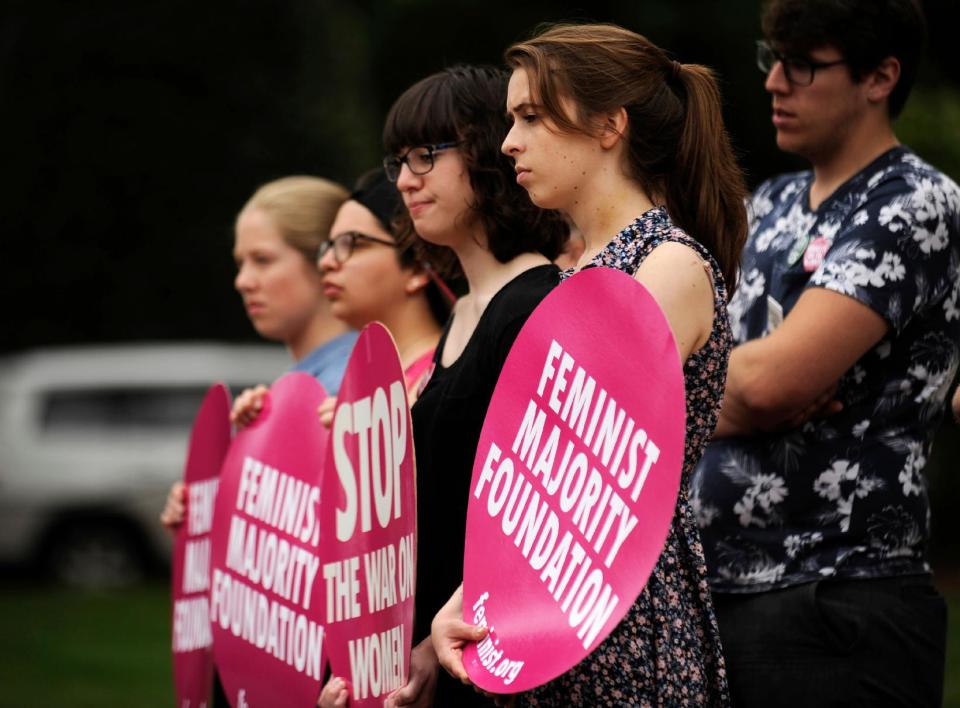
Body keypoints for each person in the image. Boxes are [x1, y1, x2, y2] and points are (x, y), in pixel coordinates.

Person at [431, 22, 749, 706]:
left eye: (531, 117)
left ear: (609, 125)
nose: (510, 140)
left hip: (619, 612)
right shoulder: (576, 274)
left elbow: (568, 469)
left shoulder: (666, 265)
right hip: (549, 603)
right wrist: (471, 600)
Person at [690, 1, 959, 705]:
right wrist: (735, 393)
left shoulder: (913, 204)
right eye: (772, 58)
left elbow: (771, 383)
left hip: (838, 603)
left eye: (803, 64)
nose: (775, 81)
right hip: (722, 600)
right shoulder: (770, 203)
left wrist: (742, 388)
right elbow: (719, 375)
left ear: (880, 77)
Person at [365, 65, 568, 708]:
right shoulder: (463, 311)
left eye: (427, 154)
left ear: (487, 151)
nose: (404, 179)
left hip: (491, 660)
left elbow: (536, 517)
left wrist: (435, 642)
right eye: (398, 160)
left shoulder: (536, 303)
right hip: (438, 658)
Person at [318, 167, 457, 396]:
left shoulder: (444, 379)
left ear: (417, 268)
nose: (326, 262)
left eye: (351, 243)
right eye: (330, 246)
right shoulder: (363, 385)